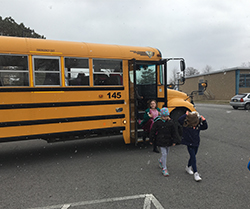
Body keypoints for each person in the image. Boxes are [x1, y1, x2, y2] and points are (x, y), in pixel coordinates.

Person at [178, 111, 208, 182]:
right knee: (193, 157)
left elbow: (205, 127)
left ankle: (188, 167)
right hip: (189, 144)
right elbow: (179, 120)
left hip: (196, 143)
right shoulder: (186, 126)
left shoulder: (198, 126)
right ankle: (196, 173)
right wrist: (186, 114)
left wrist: (204, 120)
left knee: (193, 156)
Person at [149, 107, 179, 176]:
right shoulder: (158, 122)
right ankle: (164, 169)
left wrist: (175, 140)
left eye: (167, 116)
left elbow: (174, 132)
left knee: (166, 153)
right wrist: (151, 139)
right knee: (164, 154)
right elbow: (153, 131)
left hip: (168, 140)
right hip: (161, 140)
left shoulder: (171, 122)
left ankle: (161, 160)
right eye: (164, 116)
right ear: (161, 116)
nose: (166, 118)